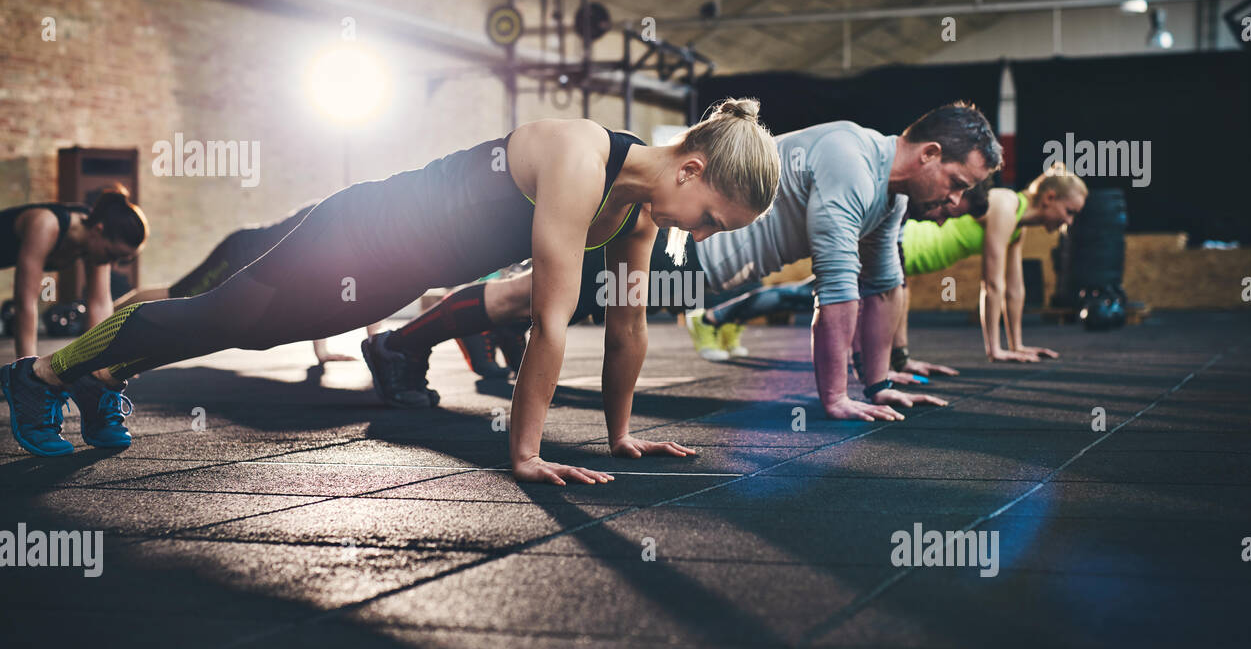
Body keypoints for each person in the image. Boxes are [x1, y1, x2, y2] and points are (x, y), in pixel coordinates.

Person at [2, 101, 781, 486]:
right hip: (363, 229)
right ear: (692, 171)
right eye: (713, 218)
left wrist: (618, 436)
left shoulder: (637, 215)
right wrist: (526, 453)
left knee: (251, 331)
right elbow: (548, 318)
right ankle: (41, 376)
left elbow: (627, 330)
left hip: (394, 270)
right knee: (225, 314)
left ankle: (107, 376)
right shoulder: (581, 156)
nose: (705, 236)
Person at [364, 102, 1001, 422]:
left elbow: (885, 286)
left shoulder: (887, 199)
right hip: (681, 246)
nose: (958, 200)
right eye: (959, 182)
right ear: (929, 154)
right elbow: (837, 289)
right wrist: (835, 396)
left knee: (540, 296)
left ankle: (480, 329)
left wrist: (888, 374)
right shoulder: (851, 158)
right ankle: (397, 345)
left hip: (702, 264)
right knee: (535, 296)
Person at [114, 202, 387, 373]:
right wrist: (364, 346)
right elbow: (327, 289)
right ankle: (109, 316)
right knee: (179, 295)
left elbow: (350, 292)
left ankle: (110, 316)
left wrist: (325, 353)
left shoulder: (357, 239)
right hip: (239, 253)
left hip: (258, 258)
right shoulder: (342, 227)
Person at [0, 186, 148, 449]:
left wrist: (106, 364)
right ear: (99, 230)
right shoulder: (46, 225)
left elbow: (100, 303)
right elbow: (26, 302)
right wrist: (30, 376)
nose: (112, 264)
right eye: (113, 255)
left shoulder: (94, 236)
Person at [894, 164, 1088, 364]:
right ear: (1049, 198)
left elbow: (1014, 289)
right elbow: (991, 283)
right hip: (911, 245)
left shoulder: (1017, 224)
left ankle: (898, 361)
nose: (1069, 221)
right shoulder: (1005, 204)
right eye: (1069, 211)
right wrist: (995, 350)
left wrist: (1017, 345)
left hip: (914, 258)